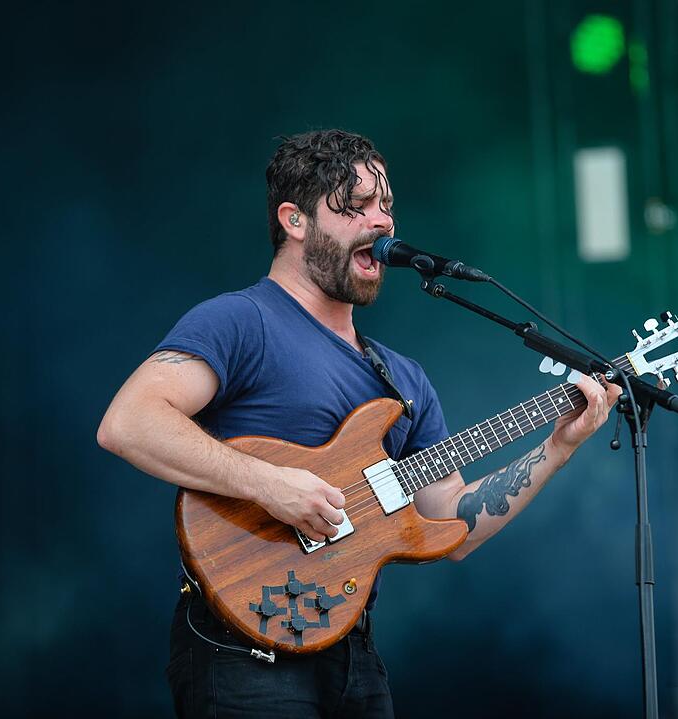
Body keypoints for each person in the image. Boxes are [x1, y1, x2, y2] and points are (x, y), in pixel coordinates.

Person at [96, 129, 622, 718]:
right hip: (243, 649)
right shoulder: (240, 321)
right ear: (294, 220)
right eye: (356, 206)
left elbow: (450, 526)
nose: (381, 223)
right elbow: (130, 422)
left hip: (351, 652)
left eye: (386, 207)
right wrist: (269, 484)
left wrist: (557, 447)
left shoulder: (402, 378)